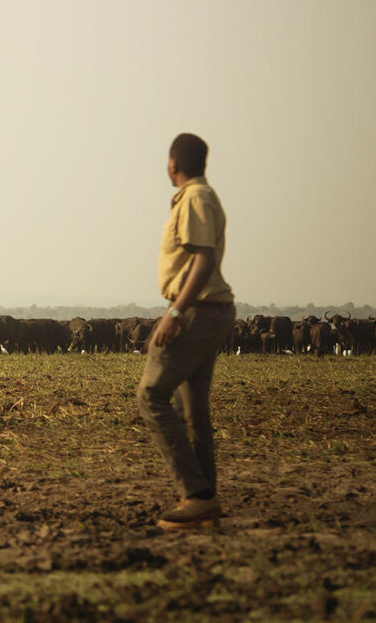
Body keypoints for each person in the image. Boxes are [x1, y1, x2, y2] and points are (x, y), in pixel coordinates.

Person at [137, 133, 235, 531]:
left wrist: (175, 312)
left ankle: (195, 495)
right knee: (192, 409)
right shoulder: (202, 196)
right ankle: (203, 502)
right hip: (210, 309)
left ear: (172, 164)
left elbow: (202, 258)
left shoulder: (194, 198)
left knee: (151, 395)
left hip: (197, 309)